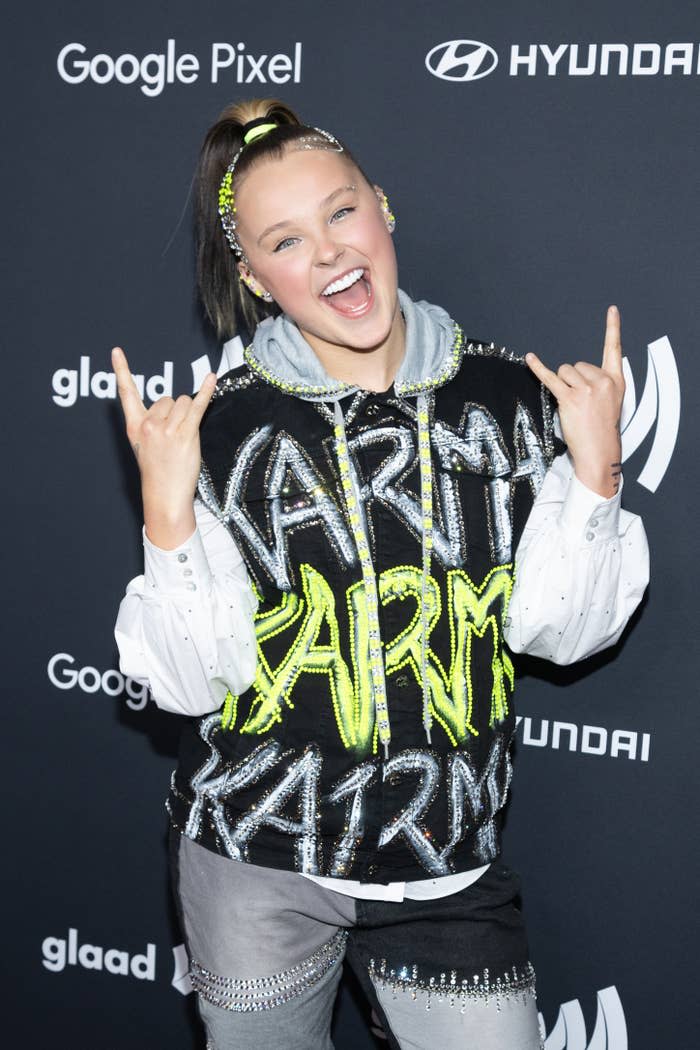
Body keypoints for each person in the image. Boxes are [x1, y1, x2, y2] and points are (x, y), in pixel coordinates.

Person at [113, 98, 649, 1050]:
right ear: (253, 277)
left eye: (341, 211)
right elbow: (189, 686)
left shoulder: (507, 394)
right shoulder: (220, 425)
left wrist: (594, 473)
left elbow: (559, 636)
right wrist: (166, 513)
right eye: (285, 239)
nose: (326, 252)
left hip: (447, 866)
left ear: (384, 207)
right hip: (254, 867)